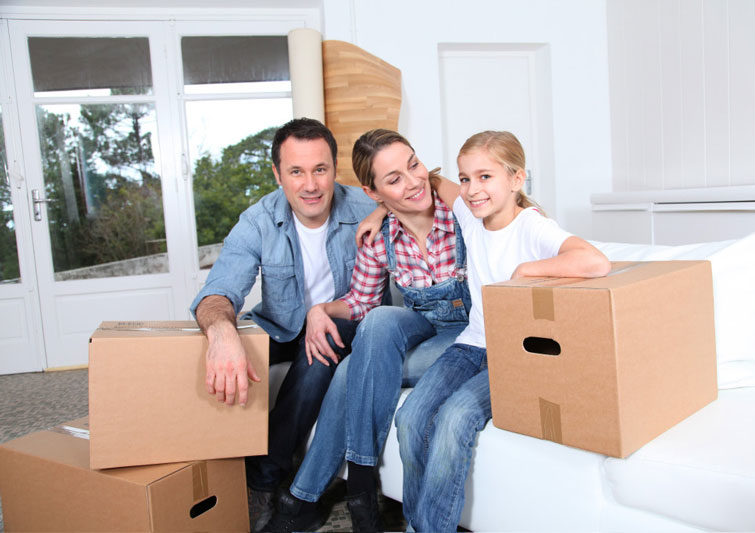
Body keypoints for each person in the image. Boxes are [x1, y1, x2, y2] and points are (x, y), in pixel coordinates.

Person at [394, 130, 611, 532]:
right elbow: (434, 181)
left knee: (455, 418)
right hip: (470, 345)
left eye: (485, 177)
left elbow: (596, 263)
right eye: (466, 178)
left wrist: (526, 271)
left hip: (513, 356)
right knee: (410, 418)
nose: (472, 189)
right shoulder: (470, 215)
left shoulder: (531, 226)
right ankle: (417, 524)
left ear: (516, 179)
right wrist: (379, 212)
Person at [265, 129, 471, 532]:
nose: (412, 182)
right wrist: (319, 310)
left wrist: (409, 191)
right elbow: (360, 302)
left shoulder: (460, 212)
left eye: (413, 165)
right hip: (424, 327)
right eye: (393, 179)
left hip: (469, 332)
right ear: (372, 191)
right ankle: (354, 488)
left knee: (348, 370)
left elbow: (467, 188)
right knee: (377, 319)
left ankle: (322, 493)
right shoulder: (379, 240)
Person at [189, 118, 377, 531]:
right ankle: (201, 471)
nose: (310, 185)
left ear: (334, 169)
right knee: (204, 349)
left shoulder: (368, 210)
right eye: (296, 171)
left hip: (346, 325)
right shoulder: (258, 220)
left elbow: (431, 198)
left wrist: (521, 205)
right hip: (279, 327)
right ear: (277, 174)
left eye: (320, 169)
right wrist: (222, 333)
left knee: (322, 347)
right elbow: (217, 291)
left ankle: (263, 479)